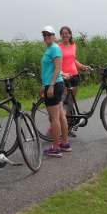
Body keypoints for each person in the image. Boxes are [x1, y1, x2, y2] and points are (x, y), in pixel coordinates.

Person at [40, 26, 71, 157]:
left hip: (54, 85)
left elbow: (58, 68)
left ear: (53, 36)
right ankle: (65, 143)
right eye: (44, 35)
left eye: (49, 35)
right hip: (52, 84)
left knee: (54, 118)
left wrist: (50, 86)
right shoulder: (51, 49)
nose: (46, 37)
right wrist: (44, 85)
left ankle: (56, 147)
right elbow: (50, 70)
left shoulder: (54, 49)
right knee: (60, 116)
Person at [59, 26, 90, 137]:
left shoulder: (73, 45)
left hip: (74, 76)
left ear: (70, 34)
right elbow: (57, 63)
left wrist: (82, 67)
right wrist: (62, 73)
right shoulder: (58, 47)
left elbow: (73, 60)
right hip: (64, 78)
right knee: (64, 104)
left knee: (71, 103)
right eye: (63, 33)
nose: (65, 35)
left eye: (67, 33)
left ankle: (69, 127)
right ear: (60, 35)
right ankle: (60, 127)